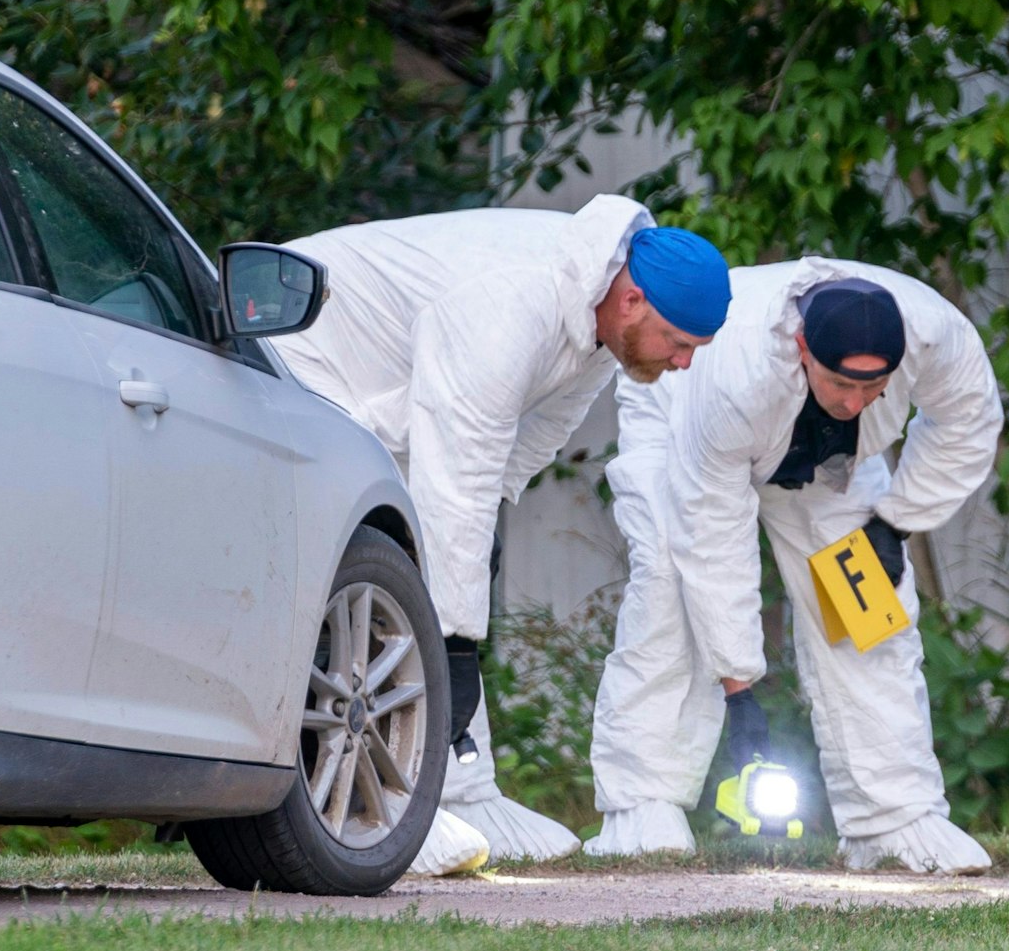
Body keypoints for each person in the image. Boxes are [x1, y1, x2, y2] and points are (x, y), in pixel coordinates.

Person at [274, 196, 731, 874]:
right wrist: (453, 643)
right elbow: (457, 482)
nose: (684, 364)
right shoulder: (510, 304)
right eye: (681, 344)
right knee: (386, 574)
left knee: (450, 563)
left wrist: (475, 550)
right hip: (301, 358)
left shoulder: (598, 330)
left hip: (395, 399)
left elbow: (527, 441)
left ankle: (465, 792)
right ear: (633, 300)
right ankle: (385, 807)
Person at [586, 259, 1002, 873]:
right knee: (671, 591)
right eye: (842, 384)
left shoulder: (938, 337)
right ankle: (641, 808)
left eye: (874, 388)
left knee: (870, 620)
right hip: (682, 422)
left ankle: (892, 818)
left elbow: (970, 423)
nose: (855, 400)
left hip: (833, 467)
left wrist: (896, 520)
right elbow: (713, 533)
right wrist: (740, 691)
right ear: (804, 347)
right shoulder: (736, 373)